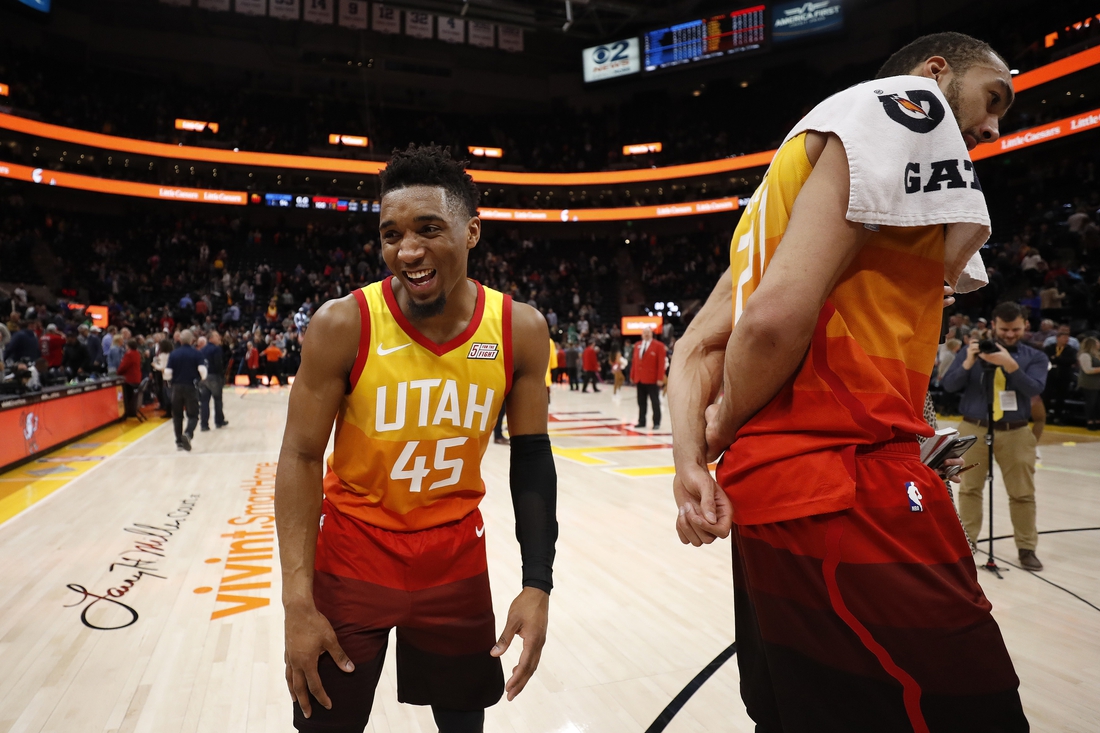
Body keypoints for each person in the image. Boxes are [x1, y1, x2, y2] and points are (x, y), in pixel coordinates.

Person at [669, 33, 1028, 732]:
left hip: (779, 496)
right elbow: (771, 324)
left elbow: (694, 347)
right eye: (993, 99)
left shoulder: (774, 200)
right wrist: (722, 425)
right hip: (848, 488)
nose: (991, 127)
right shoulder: (903, 109)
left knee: (801, 712)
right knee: (974, 712)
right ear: (935, 73)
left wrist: (693, 463)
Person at [275, 144, 556, 733]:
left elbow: (531, 460)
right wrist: (297, 601)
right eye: (391, 234)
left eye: (429, 230)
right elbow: (300, 457)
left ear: (472, 230)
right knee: (325, 724)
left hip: (454, 560)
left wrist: (537, 584)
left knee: (463, 727)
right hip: (354, 554)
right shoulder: (343, 323)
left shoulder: (518, 329)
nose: (408, 251)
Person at [943, 301, 1048, 570]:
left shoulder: (1034, 356)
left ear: (1026, 325)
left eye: (1015, 329)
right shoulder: (972, 350)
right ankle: (967, 545)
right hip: (973, 427)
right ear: (993, 325)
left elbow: (1034, 387)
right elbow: (949, 385)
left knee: (1023, 493)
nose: (1010, 334)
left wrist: (1011, 365)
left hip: (1016, 431)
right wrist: (967, 362)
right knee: (969, 490)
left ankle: (1026, 548)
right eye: (1004, 329)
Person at [165, 330, 207, 451]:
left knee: (177, 416)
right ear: (192, 340)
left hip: (176, 388)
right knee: (193, 415)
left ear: (180, 340)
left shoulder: (173, 354)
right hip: (191, 387)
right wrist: (200, 379)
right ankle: (187, 434)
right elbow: (203, 372)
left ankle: (179, 442)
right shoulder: (196, 353)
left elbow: (167, 374)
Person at [630, 327, 666, 429]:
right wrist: (632, 375)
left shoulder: (659, 346)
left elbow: (661, 363)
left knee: (655, 402)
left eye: (648, 332)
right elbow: (635, 362)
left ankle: (656, 422)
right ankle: (641, 421)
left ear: (651, 334)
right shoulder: (637, 345)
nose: (646, 334)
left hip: (652, 379)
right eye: (644, 333)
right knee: (641, 402)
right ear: (642, 334)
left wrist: (660, 378)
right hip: (640, 379)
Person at [1043, 328, 1078, 424]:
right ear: (1057, 338)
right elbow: (1045, 359)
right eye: (1064, 337)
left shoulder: (1071, 349)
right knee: (1046, 396)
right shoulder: (1049, 347)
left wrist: (1057, 358)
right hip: (1050, 375)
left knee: (1061, 397)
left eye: (1067, 338)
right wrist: (1060, 359)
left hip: (1064, 375)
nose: (1066, 340)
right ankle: (1046, 414)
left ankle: (1058, 416)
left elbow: (1071, 361)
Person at [199, 330, 229, 431]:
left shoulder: (202, 349)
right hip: (214, 377)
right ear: (211, 338)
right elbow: (218, 364)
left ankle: (204, 425)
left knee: (204, 402)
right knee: (218, 400)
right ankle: (219, 421)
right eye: (216, 336)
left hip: (203, 377)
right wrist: (222, 376)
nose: (219, 337)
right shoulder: (216, 349)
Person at [117, 339, 143, 418]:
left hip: (129, 379)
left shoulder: (129, 354)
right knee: (132, 396)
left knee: (127, 396)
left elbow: (123, 367)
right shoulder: (137, 353)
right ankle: (132, 410)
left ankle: (127, 412)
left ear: (128, 346)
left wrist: (117, 372)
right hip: (136, 378)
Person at [1078, 337, 1100, 430]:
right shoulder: (1085, 355)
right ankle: (1090, 421)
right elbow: (1088, 370)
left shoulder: (1097, 355)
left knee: (1098, 403)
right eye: (1098, 343)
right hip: (1089, 383)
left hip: (1098, 383)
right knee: (1091, 403)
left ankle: (1098, 421)